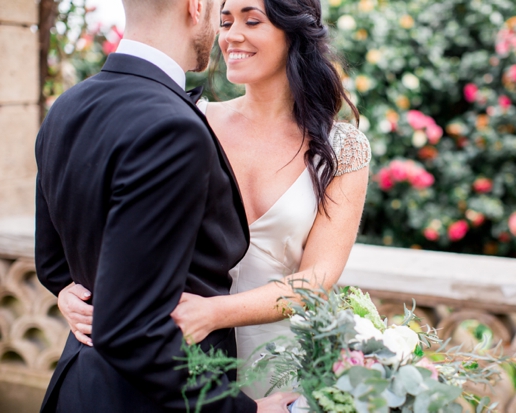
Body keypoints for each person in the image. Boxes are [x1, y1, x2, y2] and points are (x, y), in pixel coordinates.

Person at [57, 0, 371, 402]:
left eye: (251, 20)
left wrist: (213, 313)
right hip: (181, 360)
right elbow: (108, 226)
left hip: (279, 360)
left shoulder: (343, 146)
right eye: (224, 22)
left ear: (294, 31)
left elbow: (318, 278)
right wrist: (70, 289)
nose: (231, 35)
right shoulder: (188, 121)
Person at [35, 0, 295, 412]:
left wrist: (76, 294)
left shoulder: (67, 107)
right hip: (146, 400)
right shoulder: (173, 126)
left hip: (77, 386)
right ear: (195, 6)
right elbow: (132, 331)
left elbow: (52, 265)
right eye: (218, 12)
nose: (221, 27)